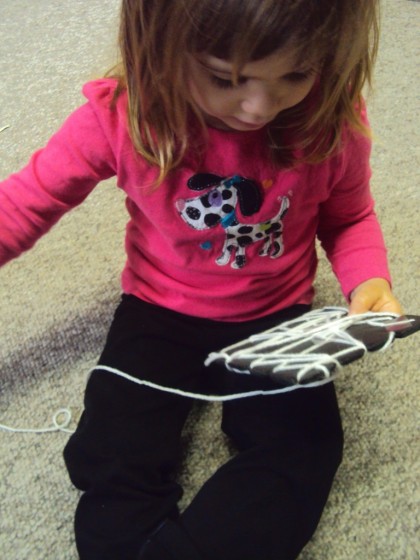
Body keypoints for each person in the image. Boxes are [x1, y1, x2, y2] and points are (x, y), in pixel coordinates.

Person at [0, 0, 404, 559]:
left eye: (295, 74)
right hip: (158, 309)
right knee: (111, 452)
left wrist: (368, 282)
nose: (260, 105)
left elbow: (350, 216)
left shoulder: (330, 121)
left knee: (305, 451)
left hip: (278, 316)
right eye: (225, 78)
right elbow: (27, 201)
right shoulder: (121, 116)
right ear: (159, 47)